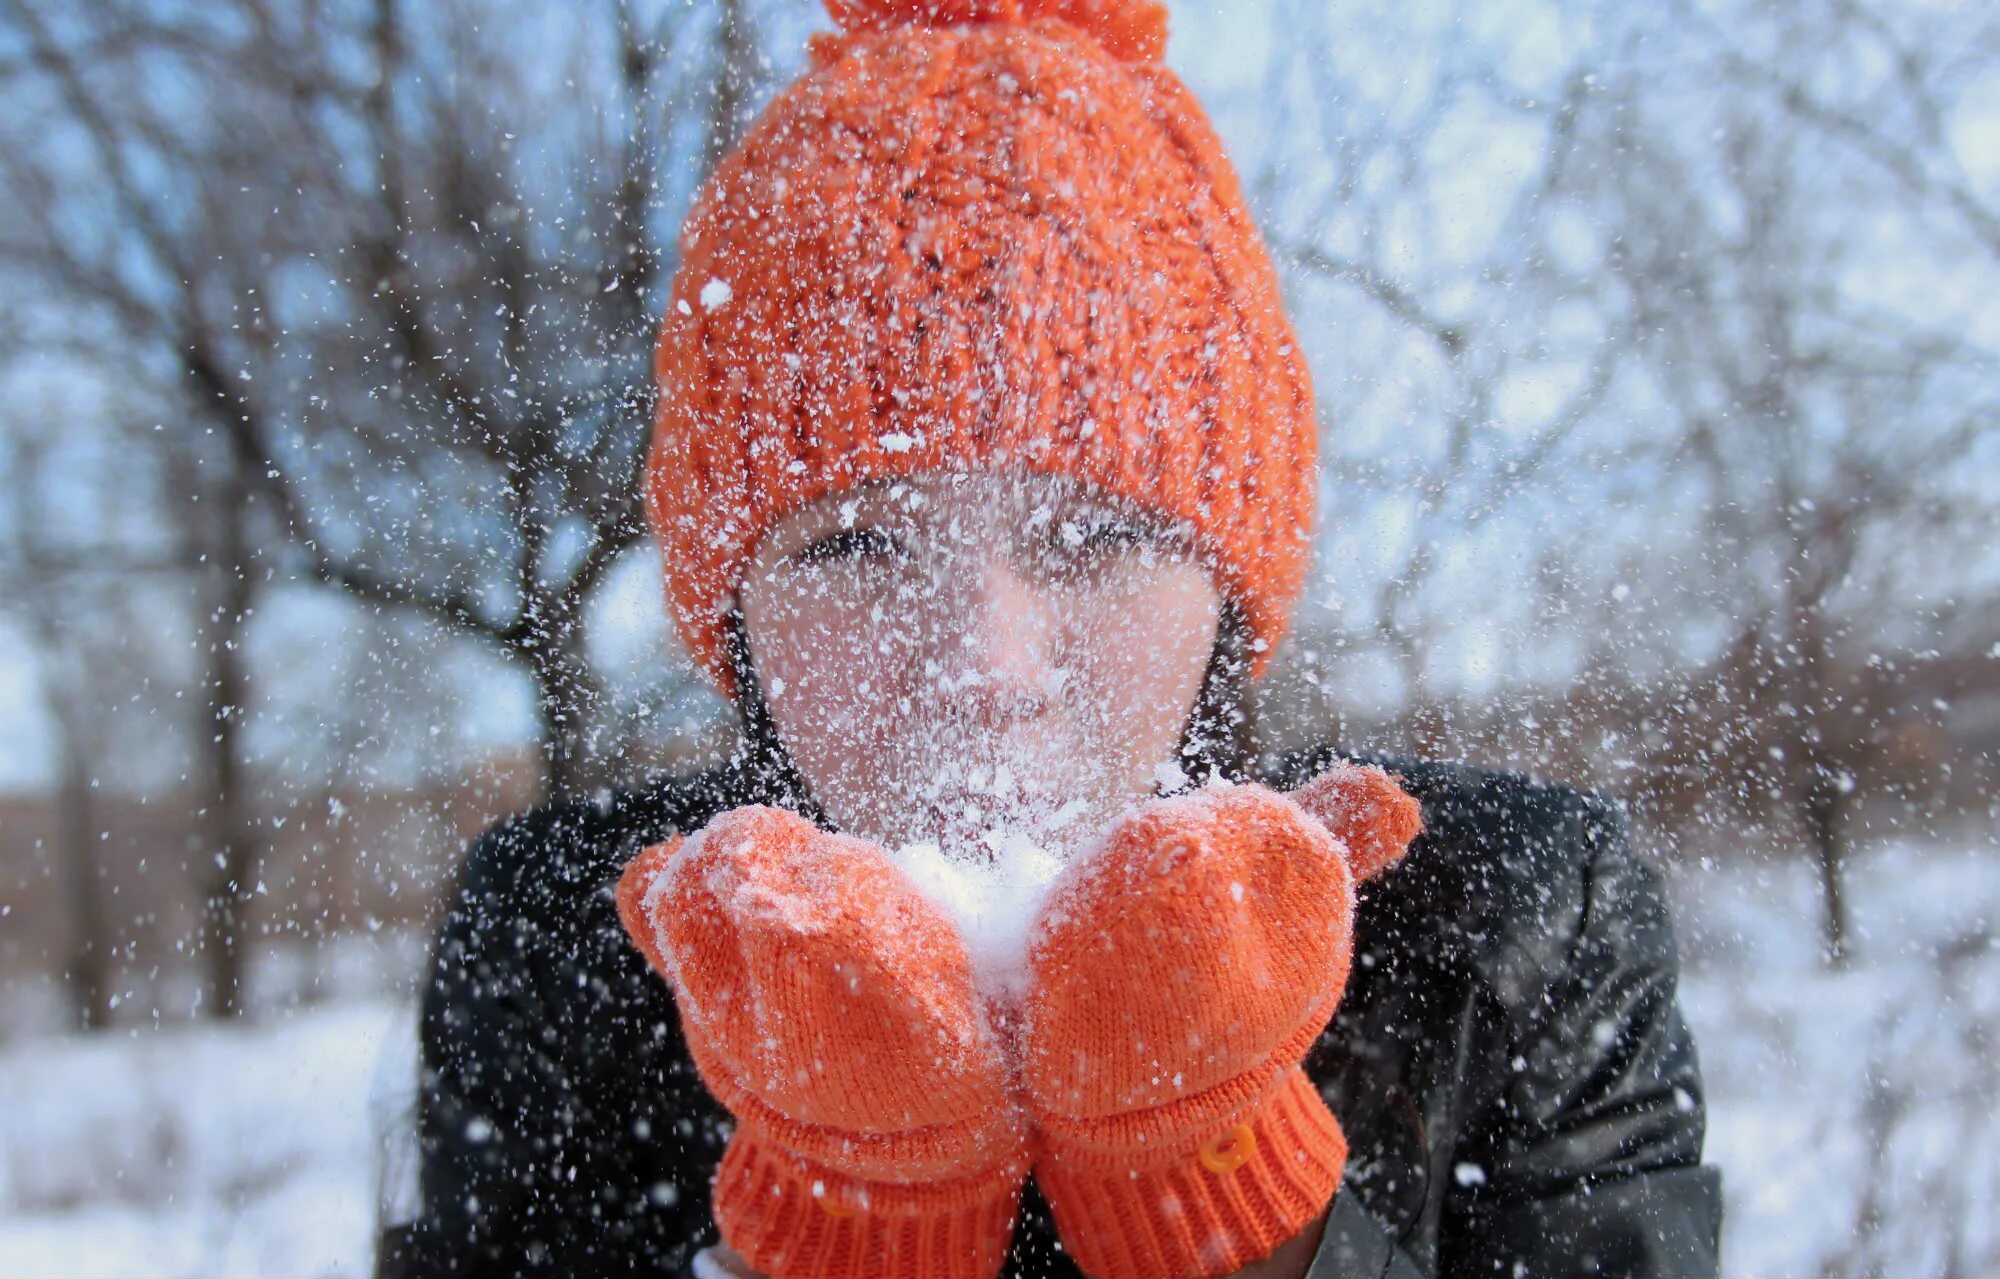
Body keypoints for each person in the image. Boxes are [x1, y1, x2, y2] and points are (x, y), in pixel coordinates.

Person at [375, 1, 1722, 1276]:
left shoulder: (1505, 933)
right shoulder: (568, 959)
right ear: (733, 618)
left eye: (1097, 539)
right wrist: (838, 1234)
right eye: (851, 545)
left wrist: (1235, 1207)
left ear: (1231, 592)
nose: (987, 672)